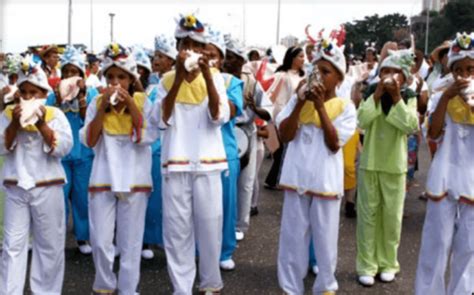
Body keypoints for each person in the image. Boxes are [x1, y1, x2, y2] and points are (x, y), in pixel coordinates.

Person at [156, 14, 230, 294]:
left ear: (202, 50)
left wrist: (208, 75)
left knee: (211, 227)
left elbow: (218, 116)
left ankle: (211, 283)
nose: (189, 50)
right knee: (177, 231)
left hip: (209, 164)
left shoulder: (218, 79)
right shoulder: (164, 81)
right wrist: (177, 78)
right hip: (176, 164)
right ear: (177, 49)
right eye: (184, 44)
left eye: (195, 45)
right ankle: (181, 287)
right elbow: (162, 119)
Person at [277, 39, 357, 294]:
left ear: (339, 79)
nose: (319, 76)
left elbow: (334, 144)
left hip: (325, 183)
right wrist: (300, 101)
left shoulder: (346, 107)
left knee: (325, 242)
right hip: (296, 179)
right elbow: (285, 135)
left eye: (326, 72)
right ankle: (291, 288)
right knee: (291, 240)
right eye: (316, 70)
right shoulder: (297, 101)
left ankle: (325, 287)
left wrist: (320, 106)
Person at [80, 43, 158, 294]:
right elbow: (90, 140)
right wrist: (102, 109)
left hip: (135, 179)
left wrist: (132, 105)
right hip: (102, 177)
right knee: (101, 241)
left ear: (132, 79)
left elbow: (147, 136)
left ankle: (128, 289)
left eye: (121, 77)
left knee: (131, 242)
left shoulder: (145, 102)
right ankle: (104, 285)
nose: (115, 82)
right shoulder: (96, 103)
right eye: (110, 77)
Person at [0, 55, 73, 294]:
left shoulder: (55, 115)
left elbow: (63, 148)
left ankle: (47, 291)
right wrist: (14, 125)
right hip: (16, 186)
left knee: (49, 245)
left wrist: (42, 125)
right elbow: (2, 146)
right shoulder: (9, 116)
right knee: (13, 244)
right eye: (24, 92)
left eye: (35, 93)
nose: (29, 98)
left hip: (47, 186)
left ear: (44, 95)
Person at [415, 32, 474, 295]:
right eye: (458, 69)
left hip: (472, 180)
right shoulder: (441, 96)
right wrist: (448, 98)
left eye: (471, 69)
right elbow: (434, 133)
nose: (464, 75)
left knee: (469, 248)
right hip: (444, 177)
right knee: (436, 244)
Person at [356, 49, 419, 286]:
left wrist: (395, 98)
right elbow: (362, 120)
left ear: (403, 76)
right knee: (367, 216)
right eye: (385, 71)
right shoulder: (371, 92)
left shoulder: (409, 95)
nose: (390, 76)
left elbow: (410, 125)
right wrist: (378, 93)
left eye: (395, 72)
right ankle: (366, 264)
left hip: (395, 165)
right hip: (370, 163)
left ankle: (388, 263)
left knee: (391, 218)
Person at [47, 45, 98, 255]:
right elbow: (50, 120)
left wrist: (82, 97)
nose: (69, 76)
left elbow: (91, 123)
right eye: (66, 71)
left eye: (74, 72)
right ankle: (56, 237)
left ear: (81, 73)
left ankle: (82, 236)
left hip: (84, 153)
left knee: (82, 196)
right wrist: (59, 100)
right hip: (61, 155)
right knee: (59, 196)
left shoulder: (92, 93)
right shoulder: (53, 95)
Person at [224, 38, 273, 241]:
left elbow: (268, 112)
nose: (227, 61)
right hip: (223, 132)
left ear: (240, 60)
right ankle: (222, 223)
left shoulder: (251, 83)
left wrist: (254, 108)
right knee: (224, 180)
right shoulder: (218, 78)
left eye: (231, 57)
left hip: (246, 133)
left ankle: (239, 225)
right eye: (225, 56)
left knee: (245, 181)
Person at [206, 27, 244, 271]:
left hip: (225, 151)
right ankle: (202, 249)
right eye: (202, 52)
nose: (207, 59)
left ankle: (224, 249)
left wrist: (210, 82)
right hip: (197, 154)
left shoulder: (231, 81)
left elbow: (228, 111)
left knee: (225, 204)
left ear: (220, 59)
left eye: (212, 55)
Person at [140, 34, 177, 260]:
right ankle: (148, 239)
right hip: (153, 149)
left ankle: (168, 240)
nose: (156, 60)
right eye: (155, 56)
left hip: (174, 148)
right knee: (151, 195)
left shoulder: (177, 84)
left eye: (161, 56)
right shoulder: (152, 87)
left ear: (172, 61)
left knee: (172, 199)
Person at [264, 46, 305, 190]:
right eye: (300, 56)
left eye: (303, 56)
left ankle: (277, 179)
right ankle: (277, 180)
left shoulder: (303, 77)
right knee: (282, 150)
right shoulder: (282, 75)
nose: (303, 59)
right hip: (283, 116)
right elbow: (274, 96)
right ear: (292, 58)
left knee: (290, 151)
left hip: (300, 118)